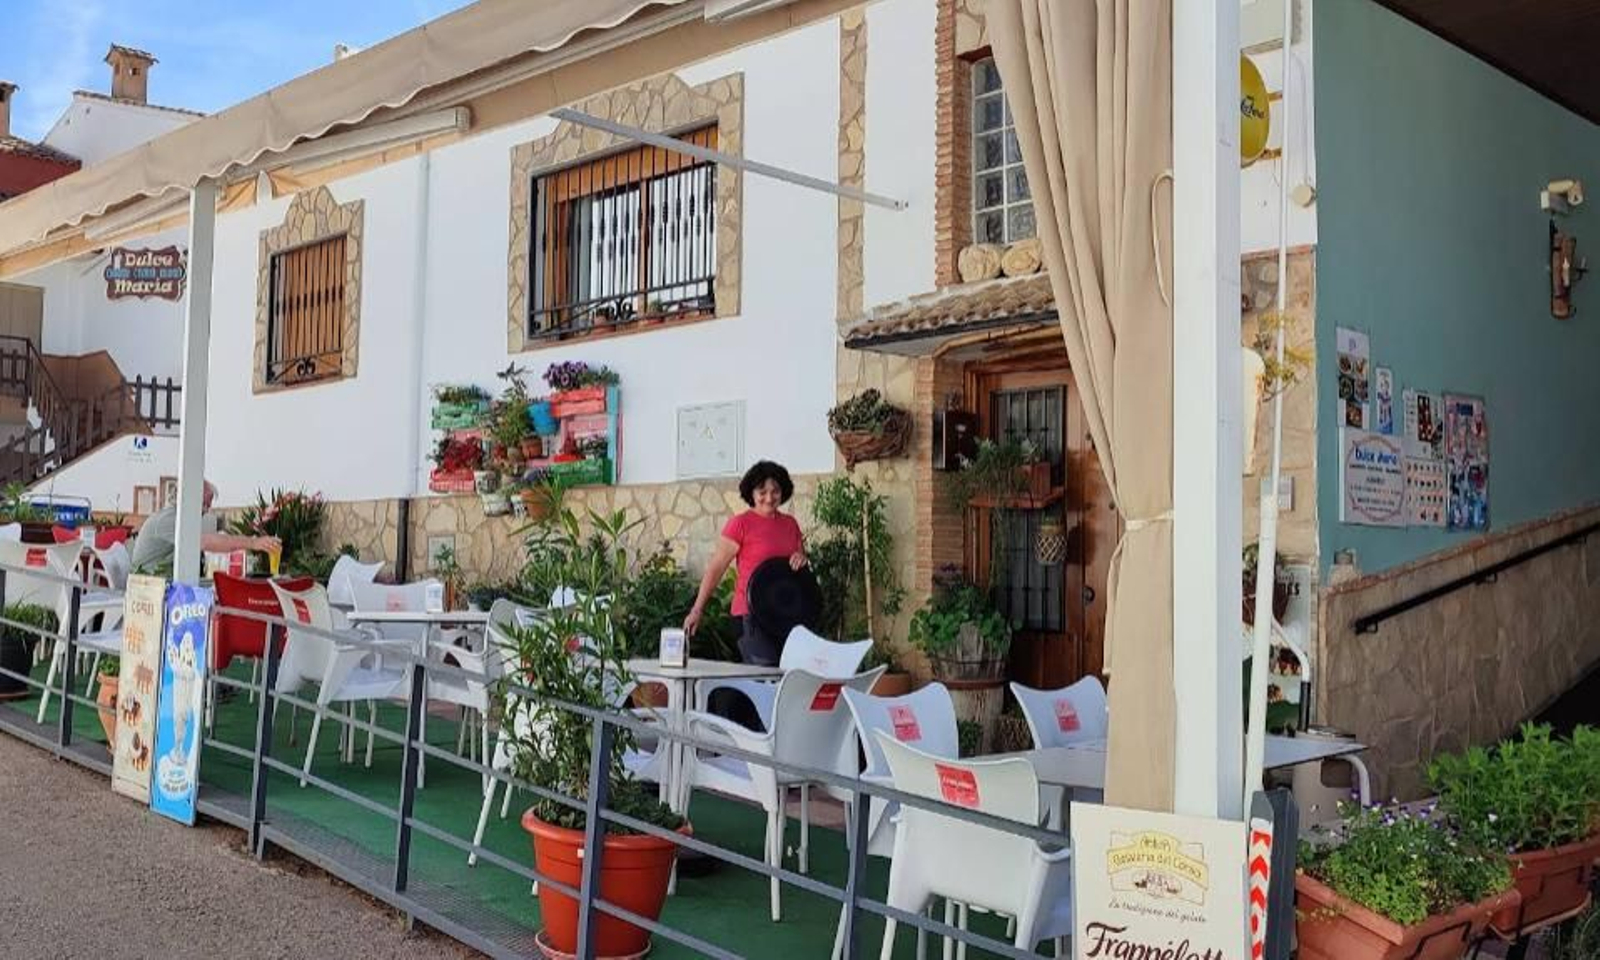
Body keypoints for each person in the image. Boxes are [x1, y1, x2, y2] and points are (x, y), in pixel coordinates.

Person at [684, 460, 806, 667]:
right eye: (762, 492)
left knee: (788, 674)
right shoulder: (740, 524)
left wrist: (801, 559)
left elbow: (800, 567)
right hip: (749, 617)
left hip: (784, 617)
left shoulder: (790, 524)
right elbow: (716, 568)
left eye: (775, 491)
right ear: (752, 493)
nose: (769, 498)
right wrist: (697, 610)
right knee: (764, 672)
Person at [129, 481, 281, 574]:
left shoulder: (179, 518)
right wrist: (253, 543)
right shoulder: (169, 519)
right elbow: (204, 542)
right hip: (147, 589)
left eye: (208, 505)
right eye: (205, 504)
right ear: (189, 496)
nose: (206, 511)